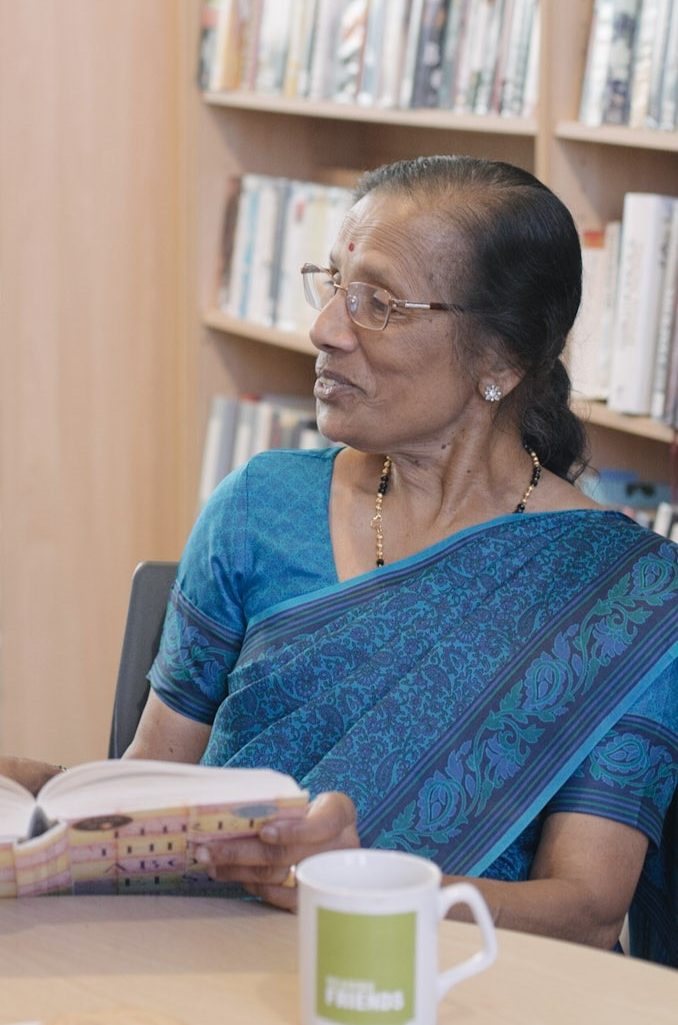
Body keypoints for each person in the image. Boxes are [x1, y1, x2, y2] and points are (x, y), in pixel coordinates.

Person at [127, 156, 678, 964]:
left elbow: (587, 909)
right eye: (332, 282)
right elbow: (152, 774)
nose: (324, 328)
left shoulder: (625, 594)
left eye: (376, 303)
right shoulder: (258, 507)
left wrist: (364, 882)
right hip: (205, 959)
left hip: (452, 985)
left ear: (501, 360)